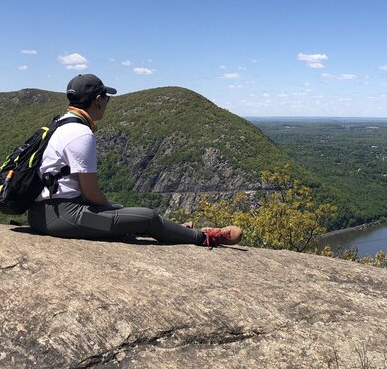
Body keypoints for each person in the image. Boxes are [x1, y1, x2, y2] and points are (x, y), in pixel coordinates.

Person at [28, 73, 242, 247]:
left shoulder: (60, 124)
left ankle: (175, 231)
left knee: (125, 213)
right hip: (63, 214)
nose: (107, 102)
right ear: (98, 100)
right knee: (147, 217)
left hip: (41, 213)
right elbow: (91, 193)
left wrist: (115, 210)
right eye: (106, 97)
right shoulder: (81, 133)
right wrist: (112, 208)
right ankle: (205, 237)